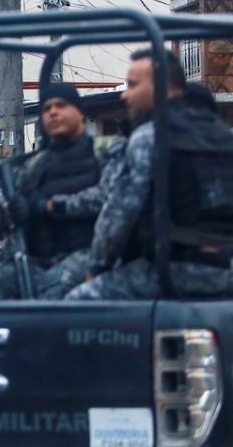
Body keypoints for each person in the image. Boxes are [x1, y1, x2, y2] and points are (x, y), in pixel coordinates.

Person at [67, 49, 233, 299]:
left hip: (171, 269)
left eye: (132, 85)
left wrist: (98, 265)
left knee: (76, 303)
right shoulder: (222, 135)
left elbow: (119, 214)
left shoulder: (150, 136)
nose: (125, 94)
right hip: (223, 269)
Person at [0, 83, 114, 299]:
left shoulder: (105, 154)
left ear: (80, 112)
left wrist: (45, 206)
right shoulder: (33, 166)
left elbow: (113, 201)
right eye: (47, 108)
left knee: (53, 293)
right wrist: (9, 214)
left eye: (62, 105)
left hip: (86, 256)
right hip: (35, 263)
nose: (54, 112)